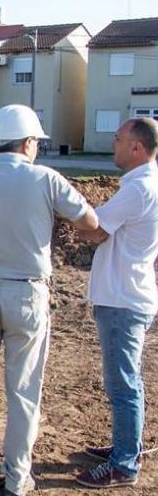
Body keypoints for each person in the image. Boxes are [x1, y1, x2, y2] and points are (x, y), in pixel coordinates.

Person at [0, 104, 98, 496]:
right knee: (24, 390)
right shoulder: (46, 179)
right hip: (27, 293)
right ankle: (16, 476)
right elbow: (90, 222)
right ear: (29, 142)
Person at [75, 118, 158, 489]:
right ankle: (128, 447)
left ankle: (124, 465)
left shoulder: (138, 189)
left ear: (137, 148)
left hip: (123, 300)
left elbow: (97, 231)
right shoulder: (145, 185)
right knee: (128, 381)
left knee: (123, 384)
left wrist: (69, 209)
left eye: (119, 139)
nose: (113, 144)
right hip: (130, 293)